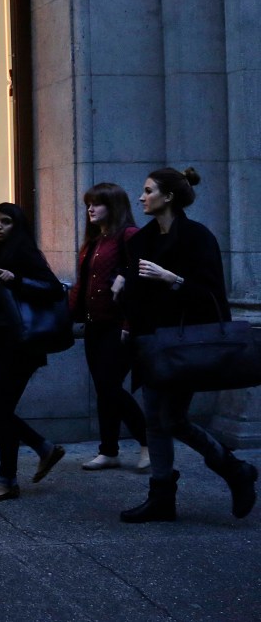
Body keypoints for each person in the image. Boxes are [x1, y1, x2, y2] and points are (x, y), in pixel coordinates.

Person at [120, 167, 257, 522]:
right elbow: (136, 295)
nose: (141, 197)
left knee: (172, 418)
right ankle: (163, 495)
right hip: (150, 344)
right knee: (156, 419)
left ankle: (233, 469)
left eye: (148, 191)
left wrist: (173, 279)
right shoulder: (140, 241)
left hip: (185, 346)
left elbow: (211, 296)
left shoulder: (197, 237)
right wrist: (127, 320)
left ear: (168, 197)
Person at [0, 202, 66, 501]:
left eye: (6, 222)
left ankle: (16, 472)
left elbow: (54, 288)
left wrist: (18, 280)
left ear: (18, 226)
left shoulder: (23, 252)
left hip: (22, 344)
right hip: (9, 341)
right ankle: (29, 460)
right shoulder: (0, 254)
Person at [68, 182, 149, 471]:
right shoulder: (93, 241)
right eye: (88, 203)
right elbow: (83, 284)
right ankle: (109, 450)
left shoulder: (129, 235)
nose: (90, 208)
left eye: (97, 203)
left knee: (110, 386)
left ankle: (147, 441)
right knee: (104, 388)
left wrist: (129, 322)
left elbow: (143, 281)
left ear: (113, 206)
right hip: (95, 325)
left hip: (120, 325)